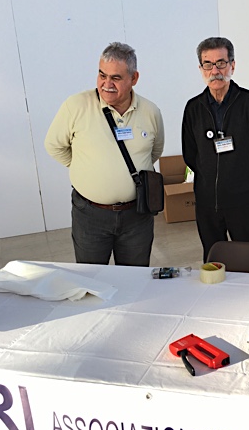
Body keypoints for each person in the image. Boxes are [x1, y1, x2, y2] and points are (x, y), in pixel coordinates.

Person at [45, 42, 164, 266]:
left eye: (116, 78)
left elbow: (155, 151)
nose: (106, 84)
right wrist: (86, 168)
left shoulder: (151, 112)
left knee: (134, 278)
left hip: (137, 215)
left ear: (134, 78)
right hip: (90, 215)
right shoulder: (76, 106)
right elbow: (54, 146)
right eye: (102, 75)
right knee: (91, 279)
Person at [182, 37, 249, 261]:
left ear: (232, 65)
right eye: (208, 64)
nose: (215, 71)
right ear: (201, 69)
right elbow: (190, 154)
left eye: (221, 63)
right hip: (207, 202)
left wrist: (248, 180)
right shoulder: (193, 108)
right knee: (214, 260)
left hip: (245, 201)